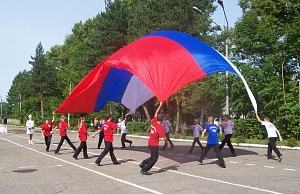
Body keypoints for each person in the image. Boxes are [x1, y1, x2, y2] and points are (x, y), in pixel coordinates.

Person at [139, 102, 169, 175]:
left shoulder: (153, 122)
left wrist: (160, 104)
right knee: (155, 158)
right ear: (162, 120)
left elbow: (156, 113)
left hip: (150, 142)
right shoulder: (160, 127)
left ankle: (143, 163)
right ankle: (144, 169)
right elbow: (164, 137)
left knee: (153, 156)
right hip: (154, 144)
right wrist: (167, 143)